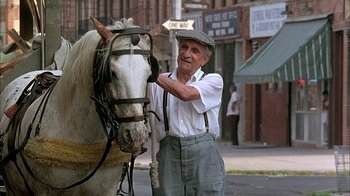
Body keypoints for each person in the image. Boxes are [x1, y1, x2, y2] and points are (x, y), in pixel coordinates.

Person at [149, 30, 225, 195]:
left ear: (205, 59)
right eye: (184, 47)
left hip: (204, 156)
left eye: (194, 50)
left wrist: (152, 73)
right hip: (168, 155)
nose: (187, 53)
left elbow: (186, 94)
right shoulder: (155, 84)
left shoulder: (213, 80)